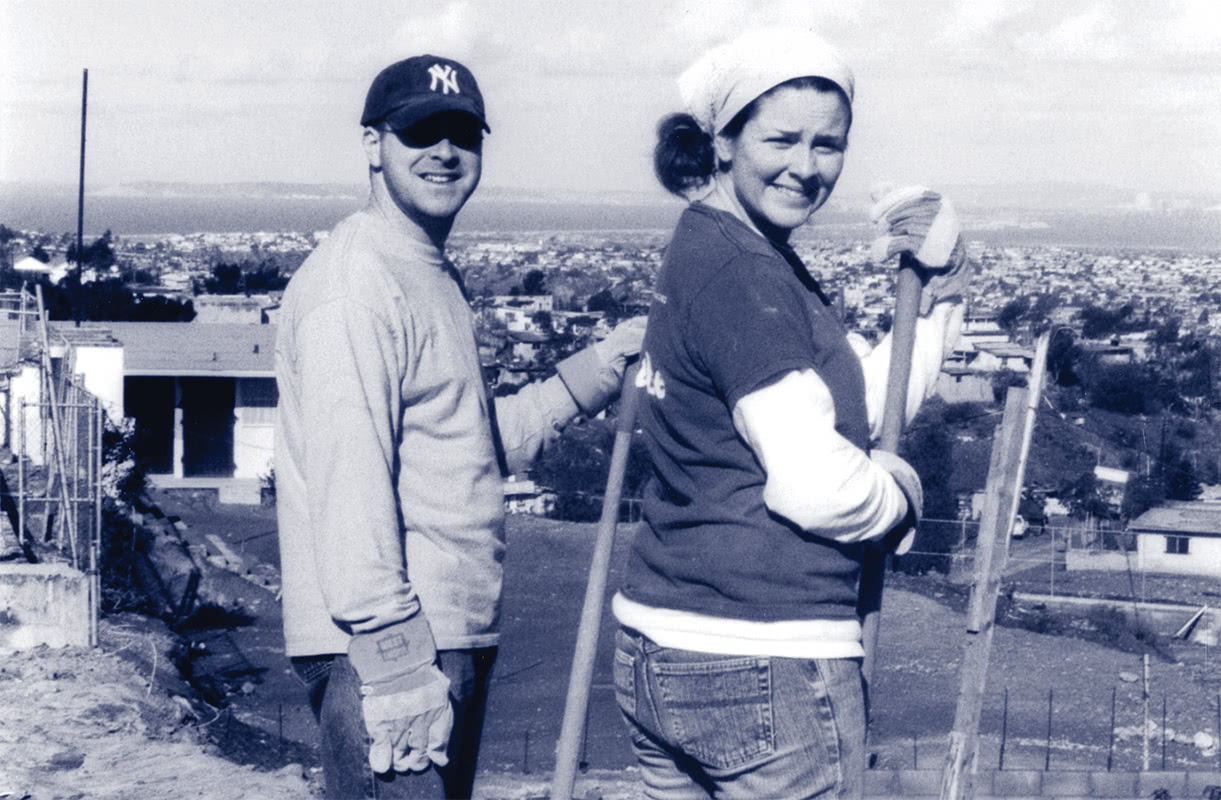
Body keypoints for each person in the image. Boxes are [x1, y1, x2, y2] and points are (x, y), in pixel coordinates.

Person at [611, 29, 972, 799]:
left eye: (827, 145)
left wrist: (937, 302)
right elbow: (817, 483)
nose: (805, 168)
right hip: (762, 656)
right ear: (722, 140)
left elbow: (844, 416)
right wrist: (899, 495)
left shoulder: (716, 245)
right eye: (780, 139)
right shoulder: (746, 275)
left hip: (659, 645)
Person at [274, 54, 645, 799]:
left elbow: (464, 445)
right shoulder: (356, 287)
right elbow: (351, 482)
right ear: (373, 144)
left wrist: (600, 366)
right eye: (420, 132)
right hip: (387, 647)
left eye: (461, 134)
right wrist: (397, 665)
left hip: (445, 633)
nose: (444, 152)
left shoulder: (422, 268)